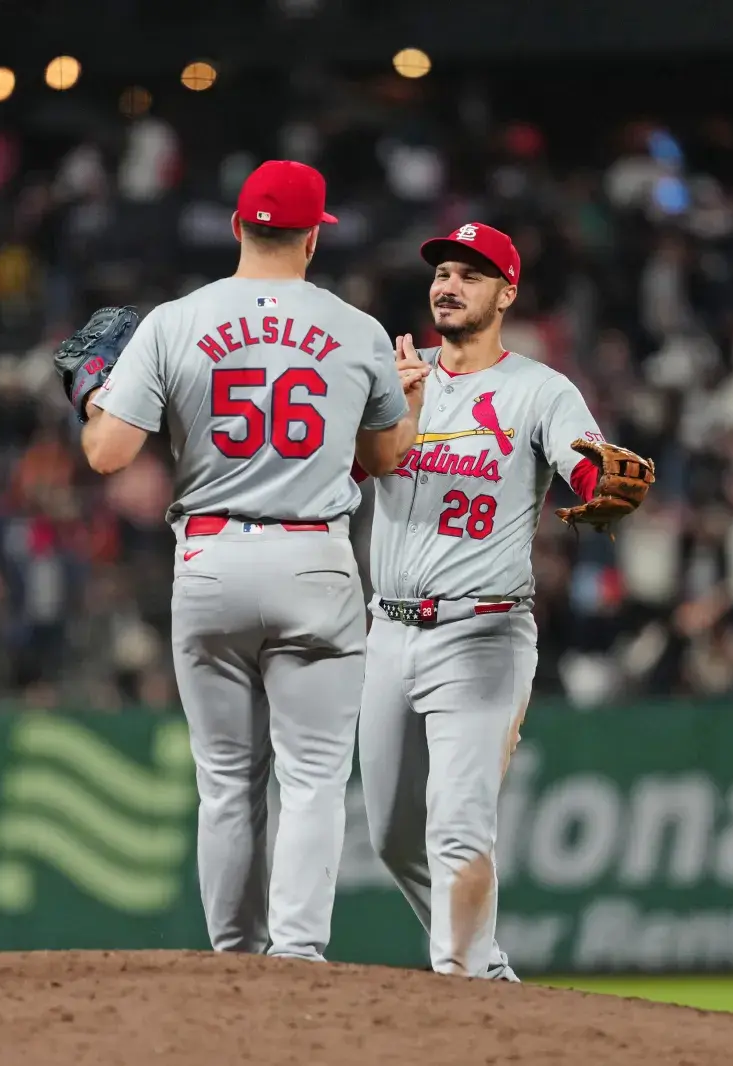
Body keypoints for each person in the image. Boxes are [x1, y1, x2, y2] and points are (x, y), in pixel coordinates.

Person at [62, 160, 425, 960]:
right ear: (312, 239)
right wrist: (410, 399)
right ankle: (295, 957)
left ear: (237, 227)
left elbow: (107, 454)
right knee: (313, 778)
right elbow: (387, 458)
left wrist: (94, 393)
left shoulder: (174, 322)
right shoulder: (357, 329)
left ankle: (234, 964)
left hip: (212, 559)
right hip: (315, 560)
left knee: (226, 783)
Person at [356, 223, 652, 977]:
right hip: (387, 630)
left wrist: (601, 484)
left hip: (481, 632)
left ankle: (461, 991)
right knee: (392, 837)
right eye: (443, 273)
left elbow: (591, 466)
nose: (449, 285)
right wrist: (393, 414)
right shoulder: (396, 376)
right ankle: (485, 968)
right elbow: (343, 475)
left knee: (458, 828)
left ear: (507, 294)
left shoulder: (540, 390)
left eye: (471, 275)